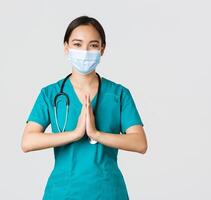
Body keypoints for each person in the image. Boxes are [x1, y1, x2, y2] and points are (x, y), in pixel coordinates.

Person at [20, 15, 148, 199]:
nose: (85, 51)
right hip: (62, 192)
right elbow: (27, 142)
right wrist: (75, 134)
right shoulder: (51, 94)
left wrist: (96, 134)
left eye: (93, 45)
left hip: (108, 192)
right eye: (77, 44)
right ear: (66, 47)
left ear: (102, 49)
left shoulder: (119, 94)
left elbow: (140, 143)